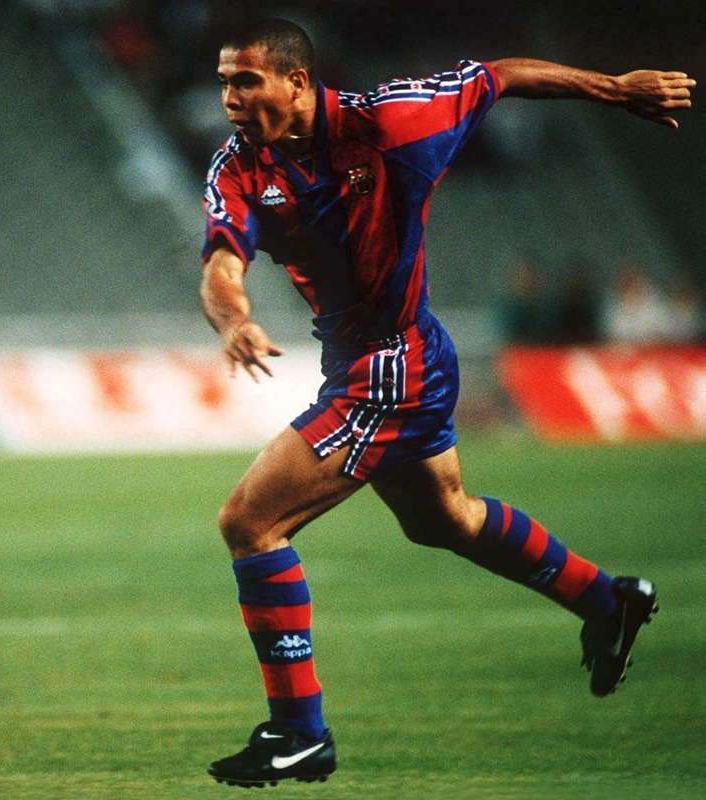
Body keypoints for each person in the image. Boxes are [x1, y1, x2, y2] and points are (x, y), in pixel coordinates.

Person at [199, 18, 690, 787]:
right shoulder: (238, 165)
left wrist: (616, 90)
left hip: (393, 361)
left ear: (296, 82)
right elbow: (222, 265)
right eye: (224, 81)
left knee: (250, 522)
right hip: (369, 359)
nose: (228, 96)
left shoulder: (391, 121)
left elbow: (499, 75)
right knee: (443, 520)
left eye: (245, 79)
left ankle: (299, 732)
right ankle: (606, 601)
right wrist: (236, 318)